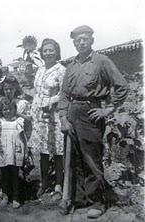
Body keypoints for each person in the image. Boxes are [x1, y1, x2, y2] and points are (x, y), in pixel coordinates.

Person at [58, 25, 128, 219]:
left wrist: (108, 109)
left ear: (91, 41)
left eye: (85, 39)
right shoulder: (71, 65)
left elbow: (121, 85)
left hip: (91, 113)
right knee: (74, 159)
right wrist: (63, 117)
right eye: (78, 40)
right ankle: (78, 199)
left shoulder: (101, 61)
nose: (81, 42)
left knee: (91, 158)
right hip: (72, 112)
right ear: (73, 42)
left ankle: (97, 201)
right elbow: (64, 94)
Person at [28, 38, 66, 200]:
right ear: (42, 53)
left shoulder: (61, 70)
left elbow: (64, 93)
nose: (48, 53)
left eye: (51, 50)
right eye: (45, 50)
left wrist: (50, 102)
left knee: (57, 151)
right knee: (43, 151)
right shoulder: (40, 69)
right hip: (39, 115)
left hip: (54, 115)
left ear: (57, 52)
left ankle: (58, 184)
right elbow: (37, 92)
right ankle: (44, 183)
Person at [0, 97, 27, 209]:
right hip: (3, 152)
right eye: (5, 110)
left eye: (10, 109)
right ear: (1, 110)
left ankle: (16, 197)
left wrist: (26, 150)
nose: (7, 112)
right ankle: (5, 196)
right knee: (4, 175)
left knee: (15, 174)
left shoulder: (19, 122)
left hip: (15, 152)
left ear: (15, 109)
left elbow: (23, 137)